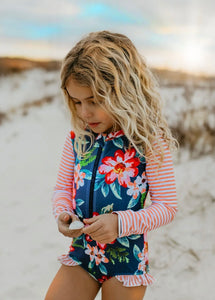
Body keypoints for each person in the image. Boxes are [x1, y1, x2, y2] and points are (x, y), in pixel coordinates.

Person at [45, 30, 178, 300]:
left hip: (126, 262)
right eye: (77, 101)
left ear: (124, 92)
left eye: (94, 101)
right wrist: (63, 213)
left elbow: (167, 207)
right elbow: (61, 189)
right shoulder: (79, 140)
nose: (84, 112)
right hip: (82, 253)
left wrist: (119, 223)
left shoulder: (148, 142)